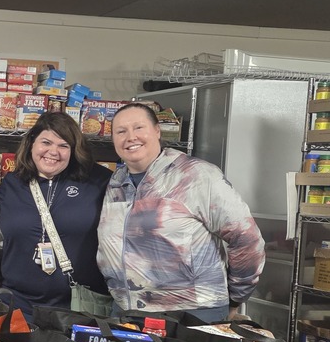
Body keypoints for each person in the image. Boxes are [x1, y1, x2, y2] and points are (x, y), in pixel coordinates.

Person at [97, 101, 266, 321]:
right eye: (121, 131)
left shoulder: (196, 175)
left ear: (157, 131)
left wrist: (236, 297)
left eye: (139, 127)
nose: (130, 137)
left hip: (191, 314)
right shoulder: (116, 182)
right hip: (128, 312)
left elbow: (246, 238)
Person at [0, 112, 111, 321]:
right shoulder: (12, 183)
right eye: (46, 142)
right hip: (16, 305)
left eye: (63, 146)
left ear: (74, 150)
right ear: (32, 143)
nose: (53, 152)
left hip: (77, 308)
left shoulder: (98, 182)